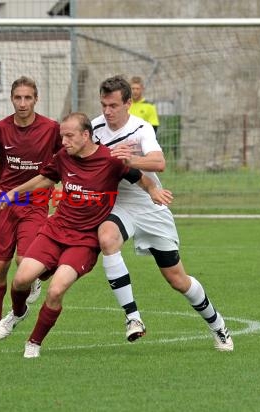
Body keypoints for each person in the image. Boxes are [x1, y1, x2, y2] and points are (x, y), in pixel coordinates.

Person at [0, 112, 173, 358]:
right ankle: (18, 312)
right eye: (61, 136)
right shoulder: (64, 157)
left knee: (56, 290)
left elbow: (141, 178)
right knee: (21, 279)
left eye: (69, 136)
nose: (64, 142)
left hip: (85, 240)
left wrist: (153, 190)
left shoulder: (110, 160)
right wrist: (14, 192)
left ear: (86, 135)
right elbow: (45, 179)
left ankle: (34, 342)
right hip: (56, 230)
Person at [92, 75, 233, 351]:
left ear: (128, 104)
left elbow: (159, 162)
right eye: (103, 105)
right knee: (107, 238)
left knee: (177, 279)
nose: (107, 111)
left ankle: (218, 325)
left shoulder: (141, 128)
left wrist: (127, 158)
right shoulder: (94, 127)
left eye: (113, 106)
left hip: (151, 206)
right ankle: (133, 318)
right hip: (120, 204)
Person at [0, 76, 62, 332]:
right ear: (12, 99)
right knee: (0, 264)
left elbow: (67, 154)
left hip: (36, 200)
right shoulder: (0, 129)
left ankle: (35, 277)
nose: (23, 103)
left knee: (24, 259)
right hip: (5, 203)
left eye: (28, 98)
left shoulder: (51, 128)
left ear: (36, 99)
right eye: (18, 98)